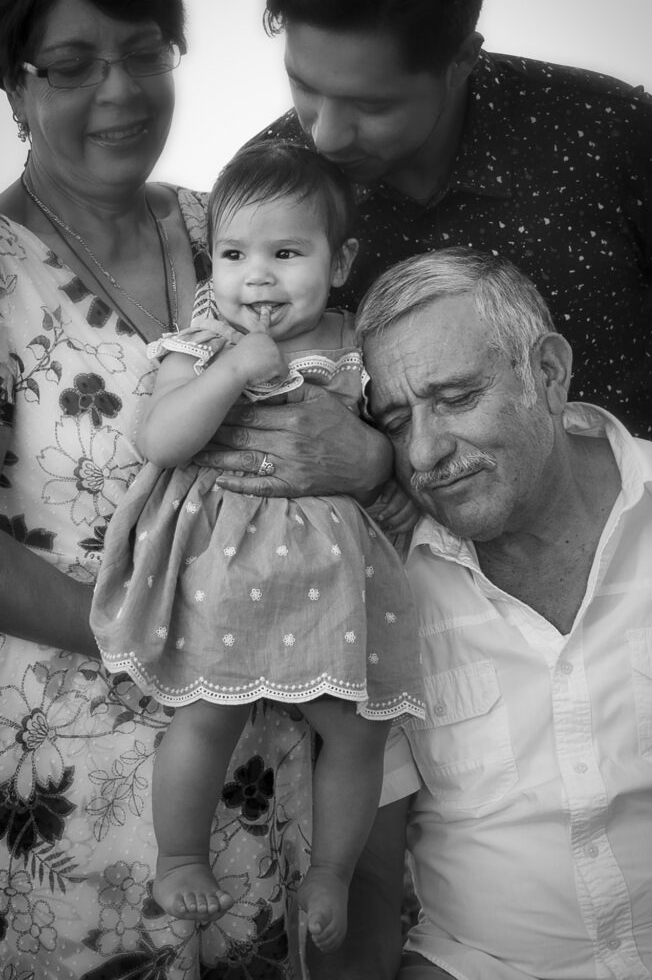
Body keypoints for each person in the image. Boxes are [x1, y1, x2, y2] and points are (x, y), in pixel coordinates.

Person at [0, 0, 391, 976]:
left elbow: (360, 398)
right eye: (75, 64)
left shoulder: (234, 227)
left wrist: (369, 454)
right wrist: (171, 626)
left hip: (272, 743)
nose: (121, 90)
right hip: (83, 767)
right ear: (14, 87)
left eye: (143, 53)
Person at [90, 139, 424, 951]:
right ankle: (179, 857)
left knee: (358, 730)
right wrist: (232, 370)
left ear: (339, 260)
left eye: (287, 253)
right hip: (224, 574)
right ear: (212, 265)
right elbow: (162, 439)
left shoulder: (361, 346)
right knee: (205, 716)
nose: (259, 277)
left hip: (333, 586)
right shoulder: (202, 345)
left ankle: (330, 873)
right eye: (235, 254)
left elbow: (404, 449)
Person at [319, 246, 652, 979]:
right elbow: (371, 879)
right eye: (394, 420)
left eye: (454, 398)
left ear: (548, 373)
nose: (424, 451)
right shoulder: (379, 591)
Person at [246, 0, 652, 450]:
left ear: (461, 61)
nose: (325, 136)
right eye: (303, 85)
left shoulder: (609, 133)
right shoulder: (265, 199)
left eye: (373, 105)